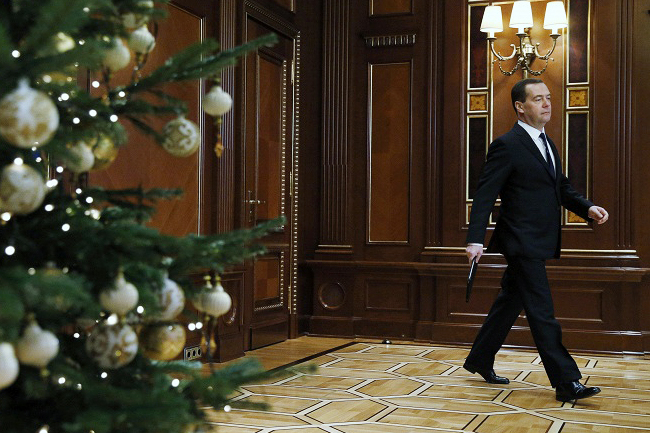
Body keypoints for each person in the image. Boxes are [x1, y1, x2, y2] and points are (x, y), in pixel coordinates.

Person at [463, 78, 609, 402]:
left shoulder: (548, 143)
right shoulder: (506, 145)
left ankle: (480, 358)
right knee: (542, 312)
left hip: (539, 240)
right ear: (520, 106)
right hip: (520, 241)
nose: (547, 104)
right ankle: (567, 381)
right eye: (538, 99)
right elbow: (485, 195)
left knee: (510, 301)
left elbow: (561, 188)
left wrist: (587, 208)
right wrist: (475, 240)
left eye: (548, 98)